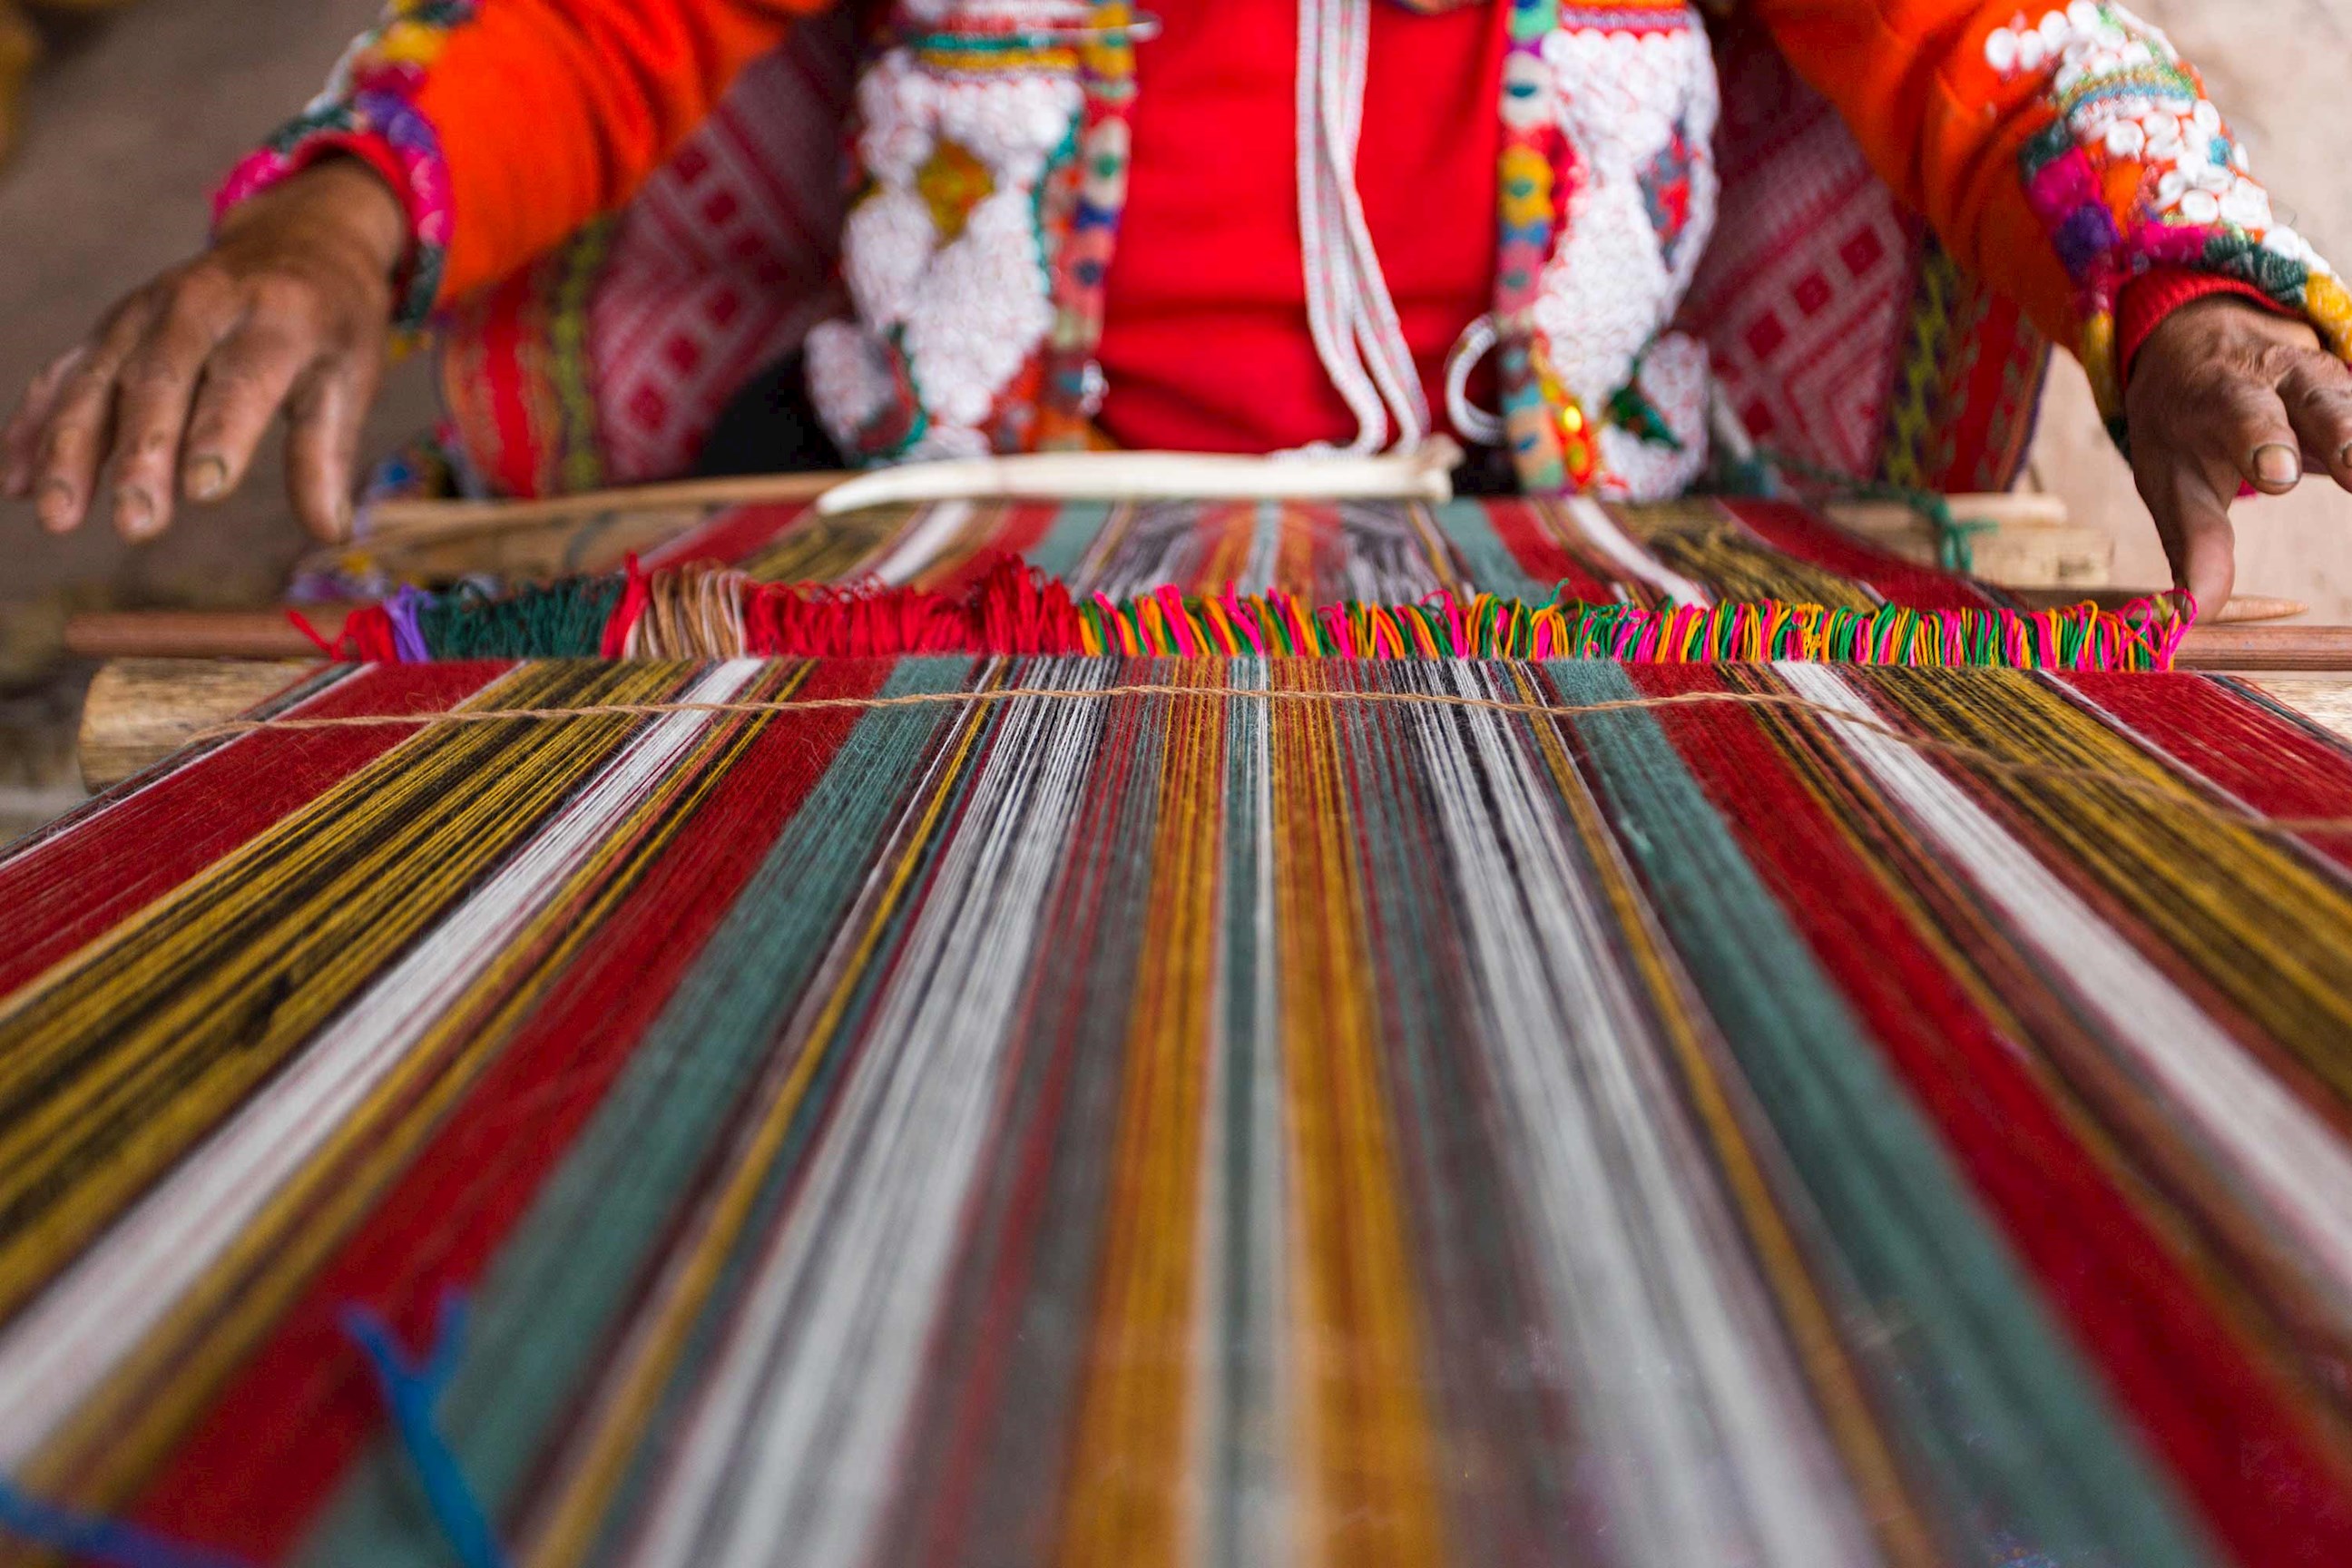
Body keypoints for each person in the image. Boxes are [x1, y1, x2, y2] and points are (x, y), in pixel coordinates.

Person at [5, 0, 2349, 612]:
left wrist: (2179, 298)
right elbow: (599, 26)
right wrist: (333, 227)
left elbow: (1980, 52)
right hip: (930, 540)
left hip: (1573, 547)